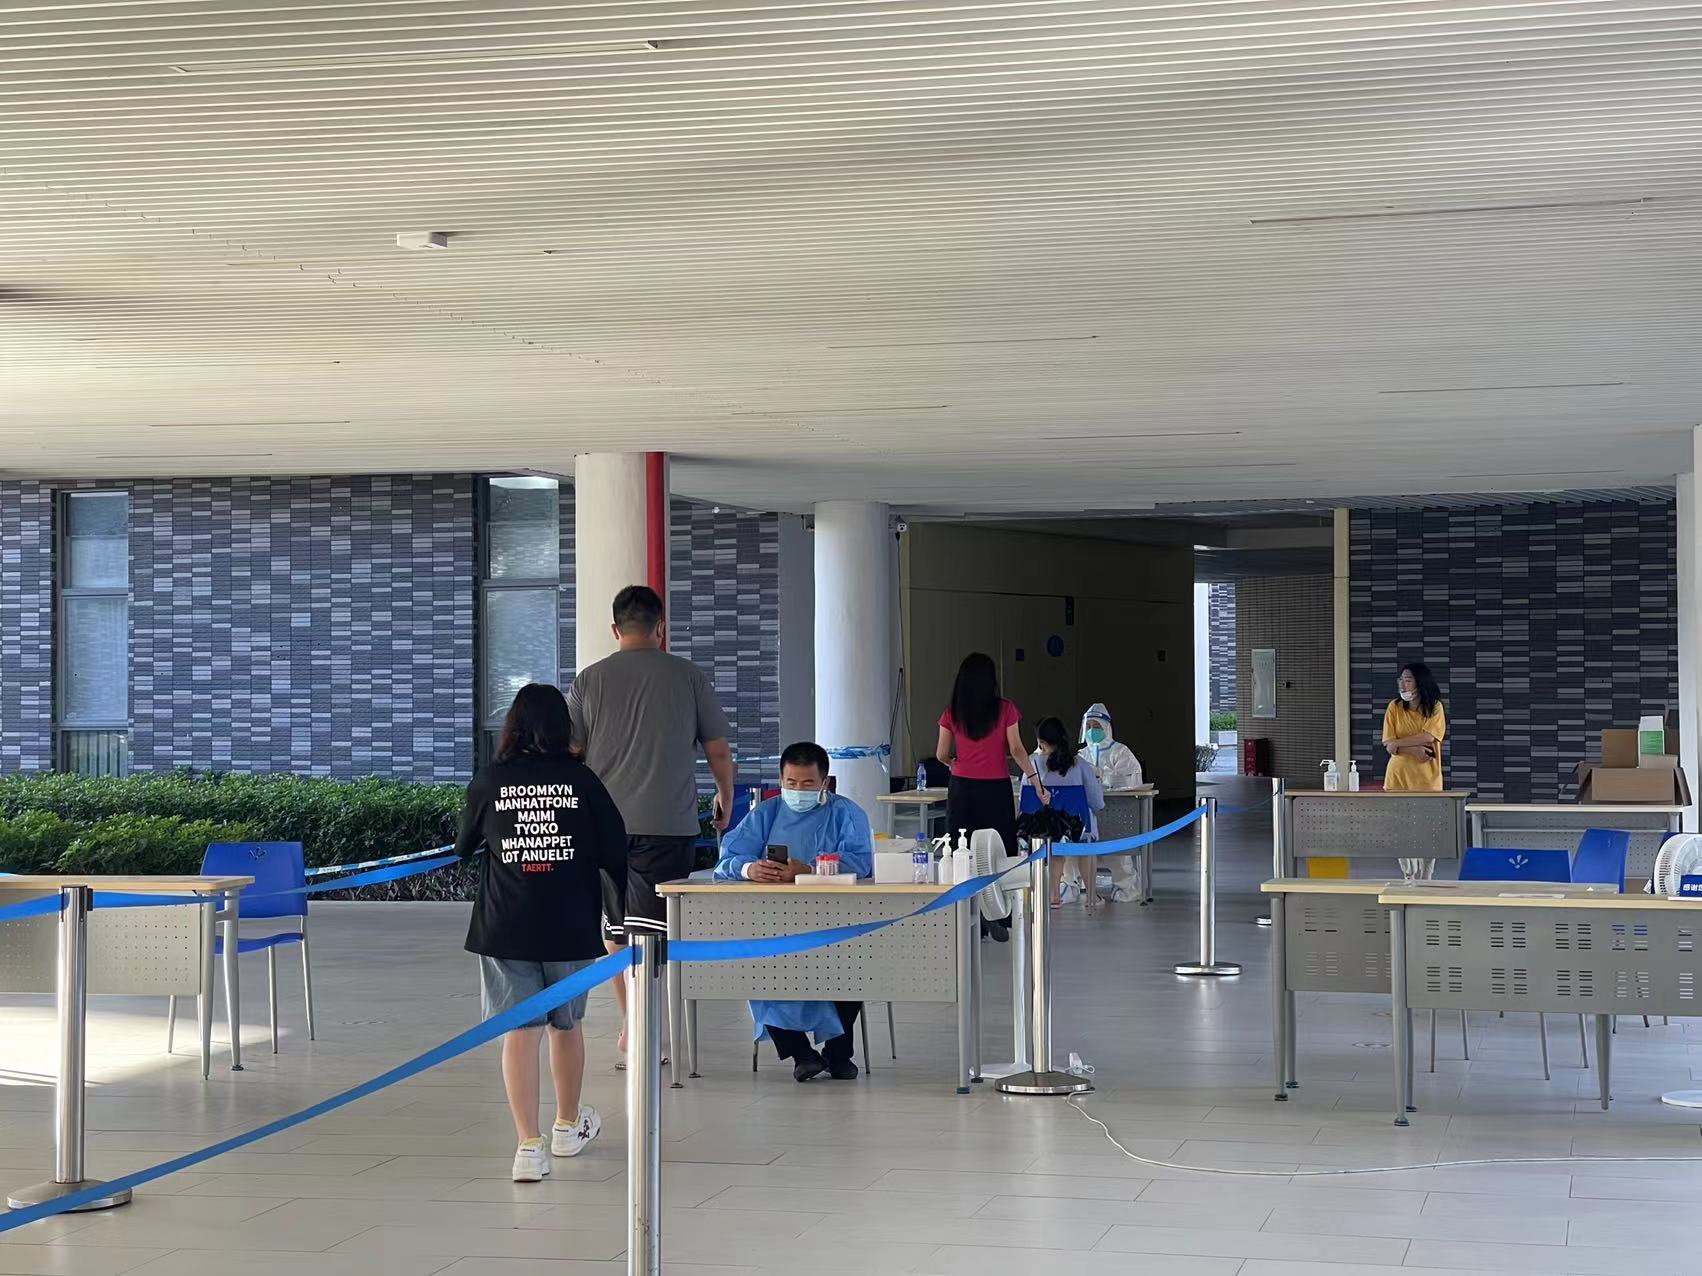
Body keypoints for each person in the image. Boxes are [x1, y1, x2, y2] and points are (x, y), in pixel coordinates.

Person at [455, 683, 629, 1183]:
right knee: (566, 1025)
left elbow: (463, 846)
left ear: (512, 725)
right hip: (569, 922)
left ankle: (528, 1146)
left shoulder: (490, 780)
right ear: (563, 728)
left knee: (520, 1031)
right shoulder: (582, 780)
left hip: (505, 923)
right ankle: (567, 1127)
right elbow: (614, 848)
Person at [566, 584, 735, 1066]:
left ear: (615, 629)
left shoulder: (588, 680)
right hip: (669, 823)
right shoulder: (688, 676)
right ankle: (648, 1026)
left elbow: (571, 751)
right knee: (658, 931)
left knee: (615, 927)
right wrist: (724, 797)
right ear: (661, 628)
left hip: (603, 827)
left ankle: (631, 1023)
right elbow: (718, 749)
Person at [713, 742, 875, 1081]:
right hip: (772, 921)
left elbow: (860, 863)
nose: (798, 790)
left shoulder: (846, 814)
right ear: (781, 780)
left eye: (807, 784)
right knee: (758, 970)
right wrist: (749, 869)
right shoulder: (765, 814)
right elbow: (728, 859)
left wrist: (809, 870)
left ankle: (838, 1053)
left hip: (835, 920)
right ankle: (801, 1054)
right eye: (791, 783)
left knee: (852, 967)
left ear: (825, 782)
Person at [935, 652, 1047, 940]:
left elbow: (941, 754)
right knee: (1001, 848)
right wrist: (1035, 782)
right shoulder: (1006, 709)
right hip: (996, 788)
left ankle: (965, 913)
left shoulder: (952, 712)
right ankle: (999, 912)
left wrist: (955, 764)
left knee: (962, 849)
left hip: (962, 789)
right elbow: (1017, 749)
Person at [1020, 716, 1105, 909]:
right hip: (1079, 828)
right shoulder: (1080, 764)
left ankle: (1054, 895)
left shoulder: (1031, 765)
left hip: (1044, 829)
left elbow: (1025, 802)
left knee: (1054, 844)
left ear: (1041, 742)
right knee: (1086, 848)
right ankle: (1091, 896)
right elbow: (1096, 801)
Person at [1080, 703, 1144, 902]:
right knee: (1075, 850)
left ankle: (1127, 887)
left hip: (1116, 811)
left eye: (1096, 726)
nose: (1092, 730)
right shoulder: (1082, 755)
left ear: (1106, 727)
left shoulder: (1120, 752)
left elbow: (1131, 778)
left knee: (1117, 852)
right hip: (1088, 813)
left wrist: (1102, 775)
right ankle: (1074, 885)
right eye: (1088, 726)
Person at [1383, 662, 1447, 791]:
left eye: (1408, 681)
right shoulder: (1394, 707)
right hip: (1396, 777)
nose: (1402, 685)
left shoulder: (1435, 707)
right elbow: (1389, 744)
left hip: (1427, 779)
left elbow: (1429, 736)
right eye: (1400, 680)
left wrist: (1397, 743)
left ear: (1420, 683)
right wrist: (1414, 750)